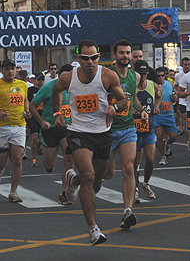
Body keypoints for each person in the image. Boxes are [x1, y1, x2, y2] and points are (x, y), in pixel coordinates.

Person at [52, 39, 127, 245]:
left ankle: (72, 181)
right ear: (79, 59)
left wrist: (116, 108)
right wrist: (58, 112)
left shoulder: (108, 76)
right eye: (86, 58)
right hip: (78, 132)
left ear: (98, 57)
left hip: (102, 133)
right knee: (88, 174)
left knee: (96, 180)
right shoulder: (68, 77)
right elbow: (56, 90)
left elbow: (123, 101)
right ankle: (93, 229)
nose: (91, 61)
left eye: (94, 57)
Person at [103, 39, 148, 229]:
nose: (125, 56)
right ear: (114, 55)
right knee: (108, 173)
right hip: (108, 129)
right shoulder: (106, 75)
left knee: (130, 167)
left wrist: (141, 110)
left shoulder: (135, 76)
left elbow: (134, 97)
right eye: (122, 53)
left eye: (128, 53)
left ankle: (127, 211)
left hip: (128, 127)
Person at [30, 64, 75, 205]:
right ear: (60, 76)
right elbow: (32, 105)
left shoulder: (75, 88)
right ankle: (48, 161)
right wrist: (42, 121)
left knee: (69, 158)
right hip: (49, 128)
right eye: (66, 76)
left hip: (67, 128)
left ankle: (64, 193)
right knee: (49, 165)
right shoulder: (48, 88)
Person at [0, 59, 32, 203]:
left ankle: (13, 192)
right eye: (7, 69)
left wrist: (27, 110)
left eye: (12, 68)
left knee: (18, 159)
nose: (10, 71)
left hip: (19, 125)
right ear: (2, 71)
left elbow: (25, 100)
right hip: (2, 127)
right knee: (2, 162)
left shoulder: (22, 84)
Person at [133, 60, 162, 200]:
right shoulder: (132, 86)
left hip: (149, 128)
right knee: (135, 162)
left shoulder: (152, 85)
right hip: (133, 130)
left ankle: (146, 184)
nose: (143, 76)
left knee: (150, 159)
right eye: (140, 73)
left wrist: (157, 106)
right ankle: (135, 187)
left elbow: (159, 96)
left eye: (145, 73)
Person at [154, 66, 178, 165]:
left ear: (165, 76)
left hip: (169, 115)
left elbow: (175, 95)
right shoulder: (154, 86)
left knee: (173, 136)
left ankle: (167, 144)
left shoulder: (170, 84)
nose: (160, 78)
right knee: (159, 136)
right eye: (158, 76)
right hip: (158, 115)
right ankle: (163, 157)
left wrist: (175, 97)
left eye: (162, 76)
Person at [27, 72, 44, 166]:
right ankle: (34, 158)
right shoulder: (30, 90)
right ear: (34, 80)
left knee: (42, 138)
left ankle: (39, 146)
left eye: (42, 80)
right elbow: (27, 102)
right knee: (34, 137)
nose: (40, 81)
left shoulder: (45, 90)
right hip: (33, 116)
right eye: (38, 79)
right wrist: (27, 111)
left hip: (43, 116)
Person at [175, 57, 190, 137]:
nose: (187, 66)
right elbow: (176, 86)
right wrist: (178, 93)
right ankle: (189, 142)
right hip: (182, 101)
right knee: (186, 121)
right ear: (182, 65)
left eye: (189, 64)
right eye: (185, 65)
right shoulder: (178, 75)